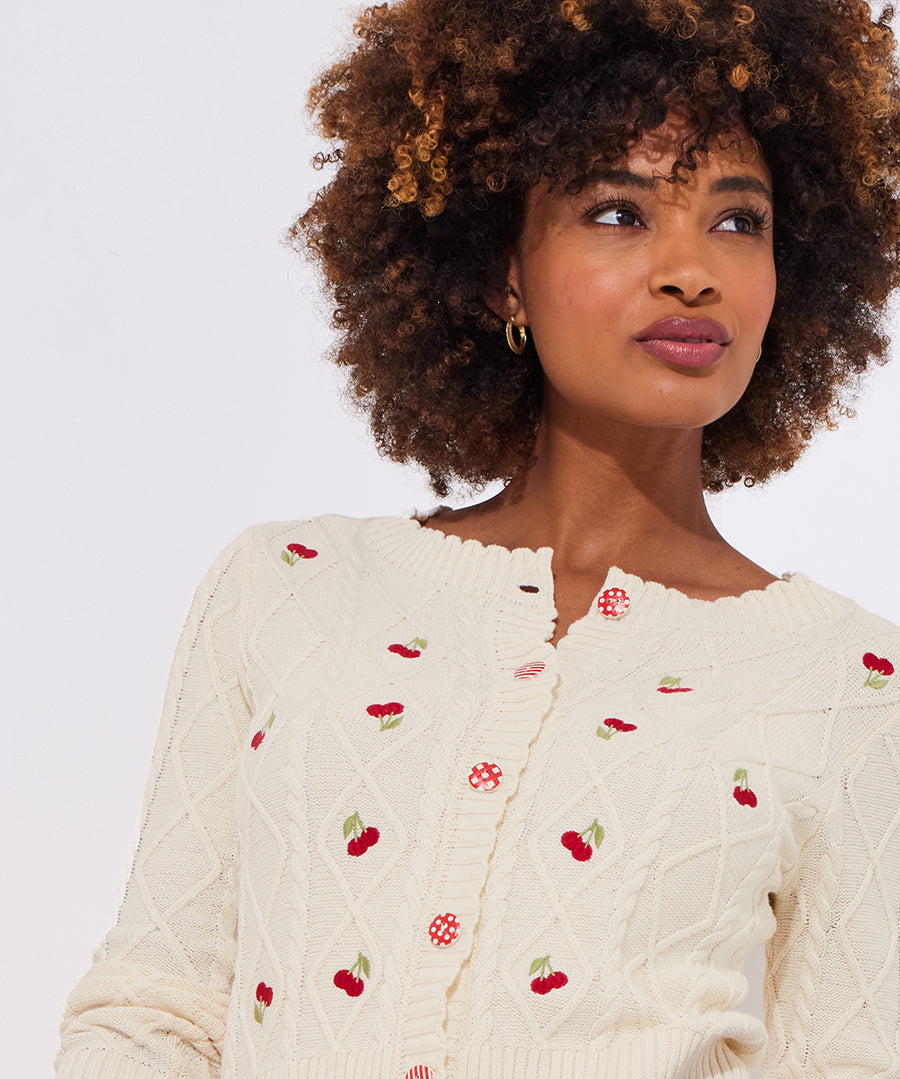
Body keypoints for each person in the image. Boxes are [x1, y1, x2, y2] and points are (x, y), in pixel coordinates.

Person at [57, 0, 900, 1076]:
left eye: (740, 221)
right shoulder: (289, 589)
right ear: (506, 271)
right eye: (618, 211)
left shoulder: (849, 685)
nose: (692, 269)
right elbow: (153, 1011)